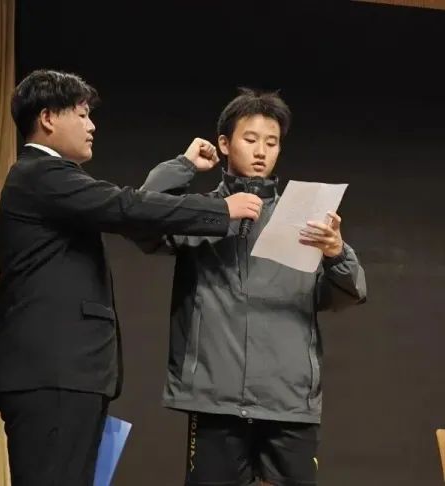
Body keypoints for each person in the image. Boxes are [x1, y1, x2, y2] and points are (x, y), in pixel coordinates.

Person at [0, 69, 265, 486]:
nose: (92, 126)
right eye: (82, 114)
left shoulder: (48, 179)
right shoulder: (42, 175)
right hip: (52, 373)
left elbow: (127, 208)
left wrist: (184, 166)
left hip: (64, 375)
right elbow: (126, 206)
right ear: (47, 118)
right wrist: (221, 210)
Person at [130, 88, 367, 486]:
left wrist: (336, 253)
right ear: (224, 144)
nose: (261, 151)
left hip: (288, 399)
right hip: (215, 396)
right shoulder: (202, 211)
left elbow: (346, 293)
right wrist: (184, 166)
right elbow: (141, 219)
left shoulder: (303, 218)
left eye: (271, 143)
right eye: (251, 139)